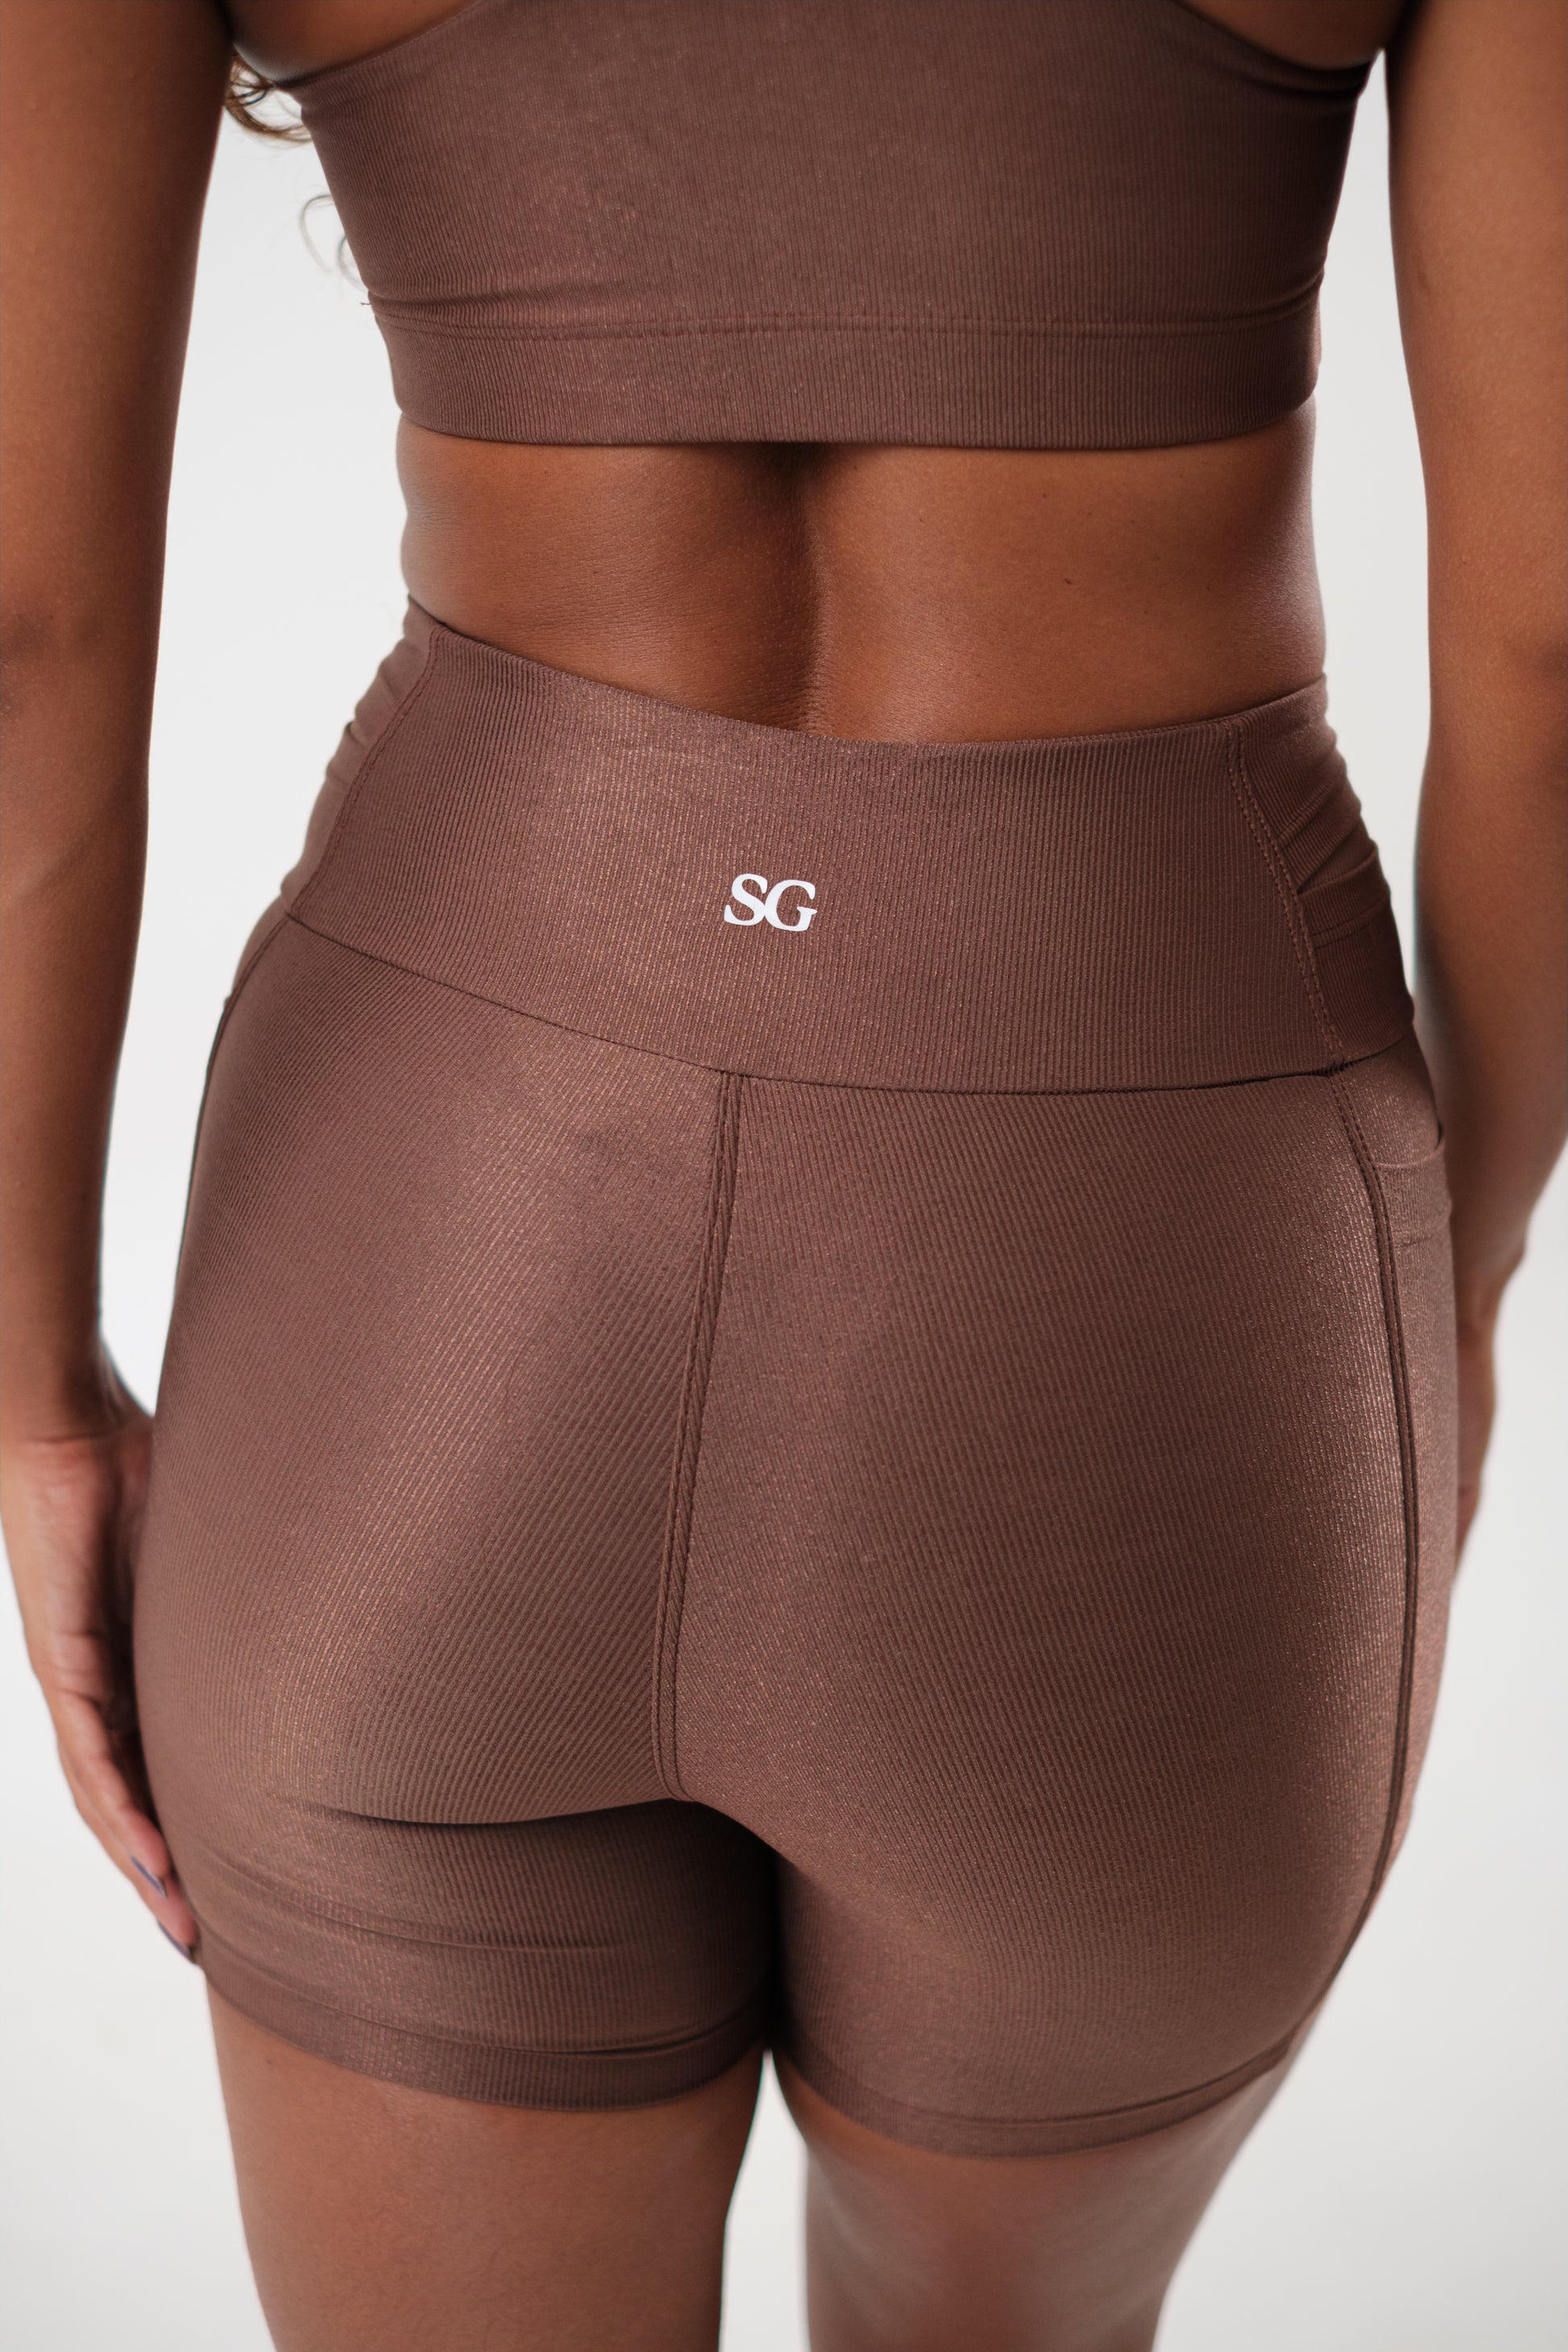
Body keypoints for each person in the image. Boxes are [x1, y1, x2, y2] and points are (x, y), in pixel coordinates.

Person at [2, 3, 1562, 2346]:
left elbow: (19, 641)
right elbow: (1549, 660)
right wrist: (1447, 1285)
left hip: (435, 1230)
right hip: (1142, 1216)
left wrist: (33, 1380)